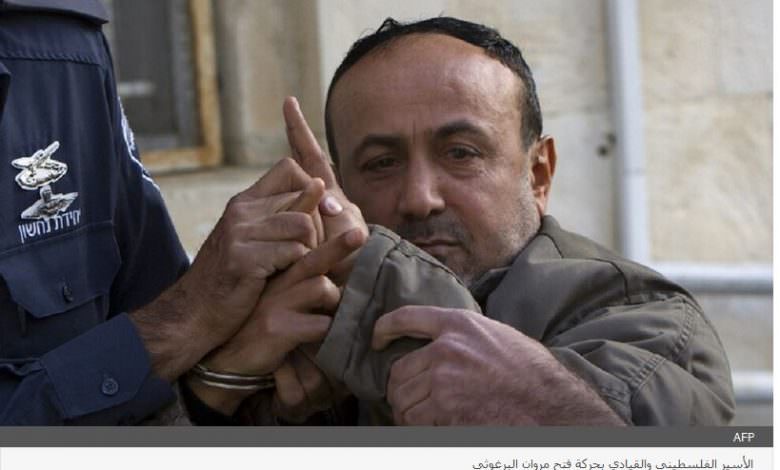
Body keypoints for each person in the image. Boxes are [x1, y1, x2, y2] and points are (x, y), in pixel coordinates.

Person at [193, 17, 734, 425]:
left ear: (538, 173)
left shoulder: (643, 318)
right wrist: (221, 389)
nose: (419, 198)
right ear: (340, 189)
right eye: (380, 163)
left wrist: (370, 290)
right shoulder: (302, 326)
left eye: (461, 153)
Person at [0, 0, 365, 424]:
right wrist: (187, 318)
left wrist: (298, 305)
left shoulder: (60, 36)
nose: (420, 197)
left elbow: (171, 335)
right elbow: (186, 318)